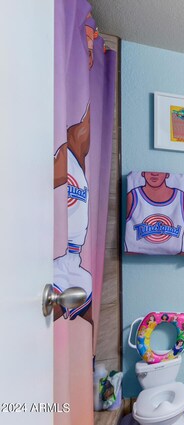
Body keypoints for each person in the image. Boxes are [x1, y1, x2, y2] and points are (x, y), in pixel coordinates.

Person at [53, 104, 93, 323]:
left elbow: (87, 116)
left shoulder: (74, 148)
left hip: (75, 260)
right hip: (52, 260)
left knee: (91, 325)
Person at [125, 172, 184, 255]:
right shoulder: (133, 195)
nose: (154, 174)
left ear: (167, 175)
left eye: (159, 173)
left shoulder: (181, 196)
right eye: (149, 172)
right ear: (143, 174)